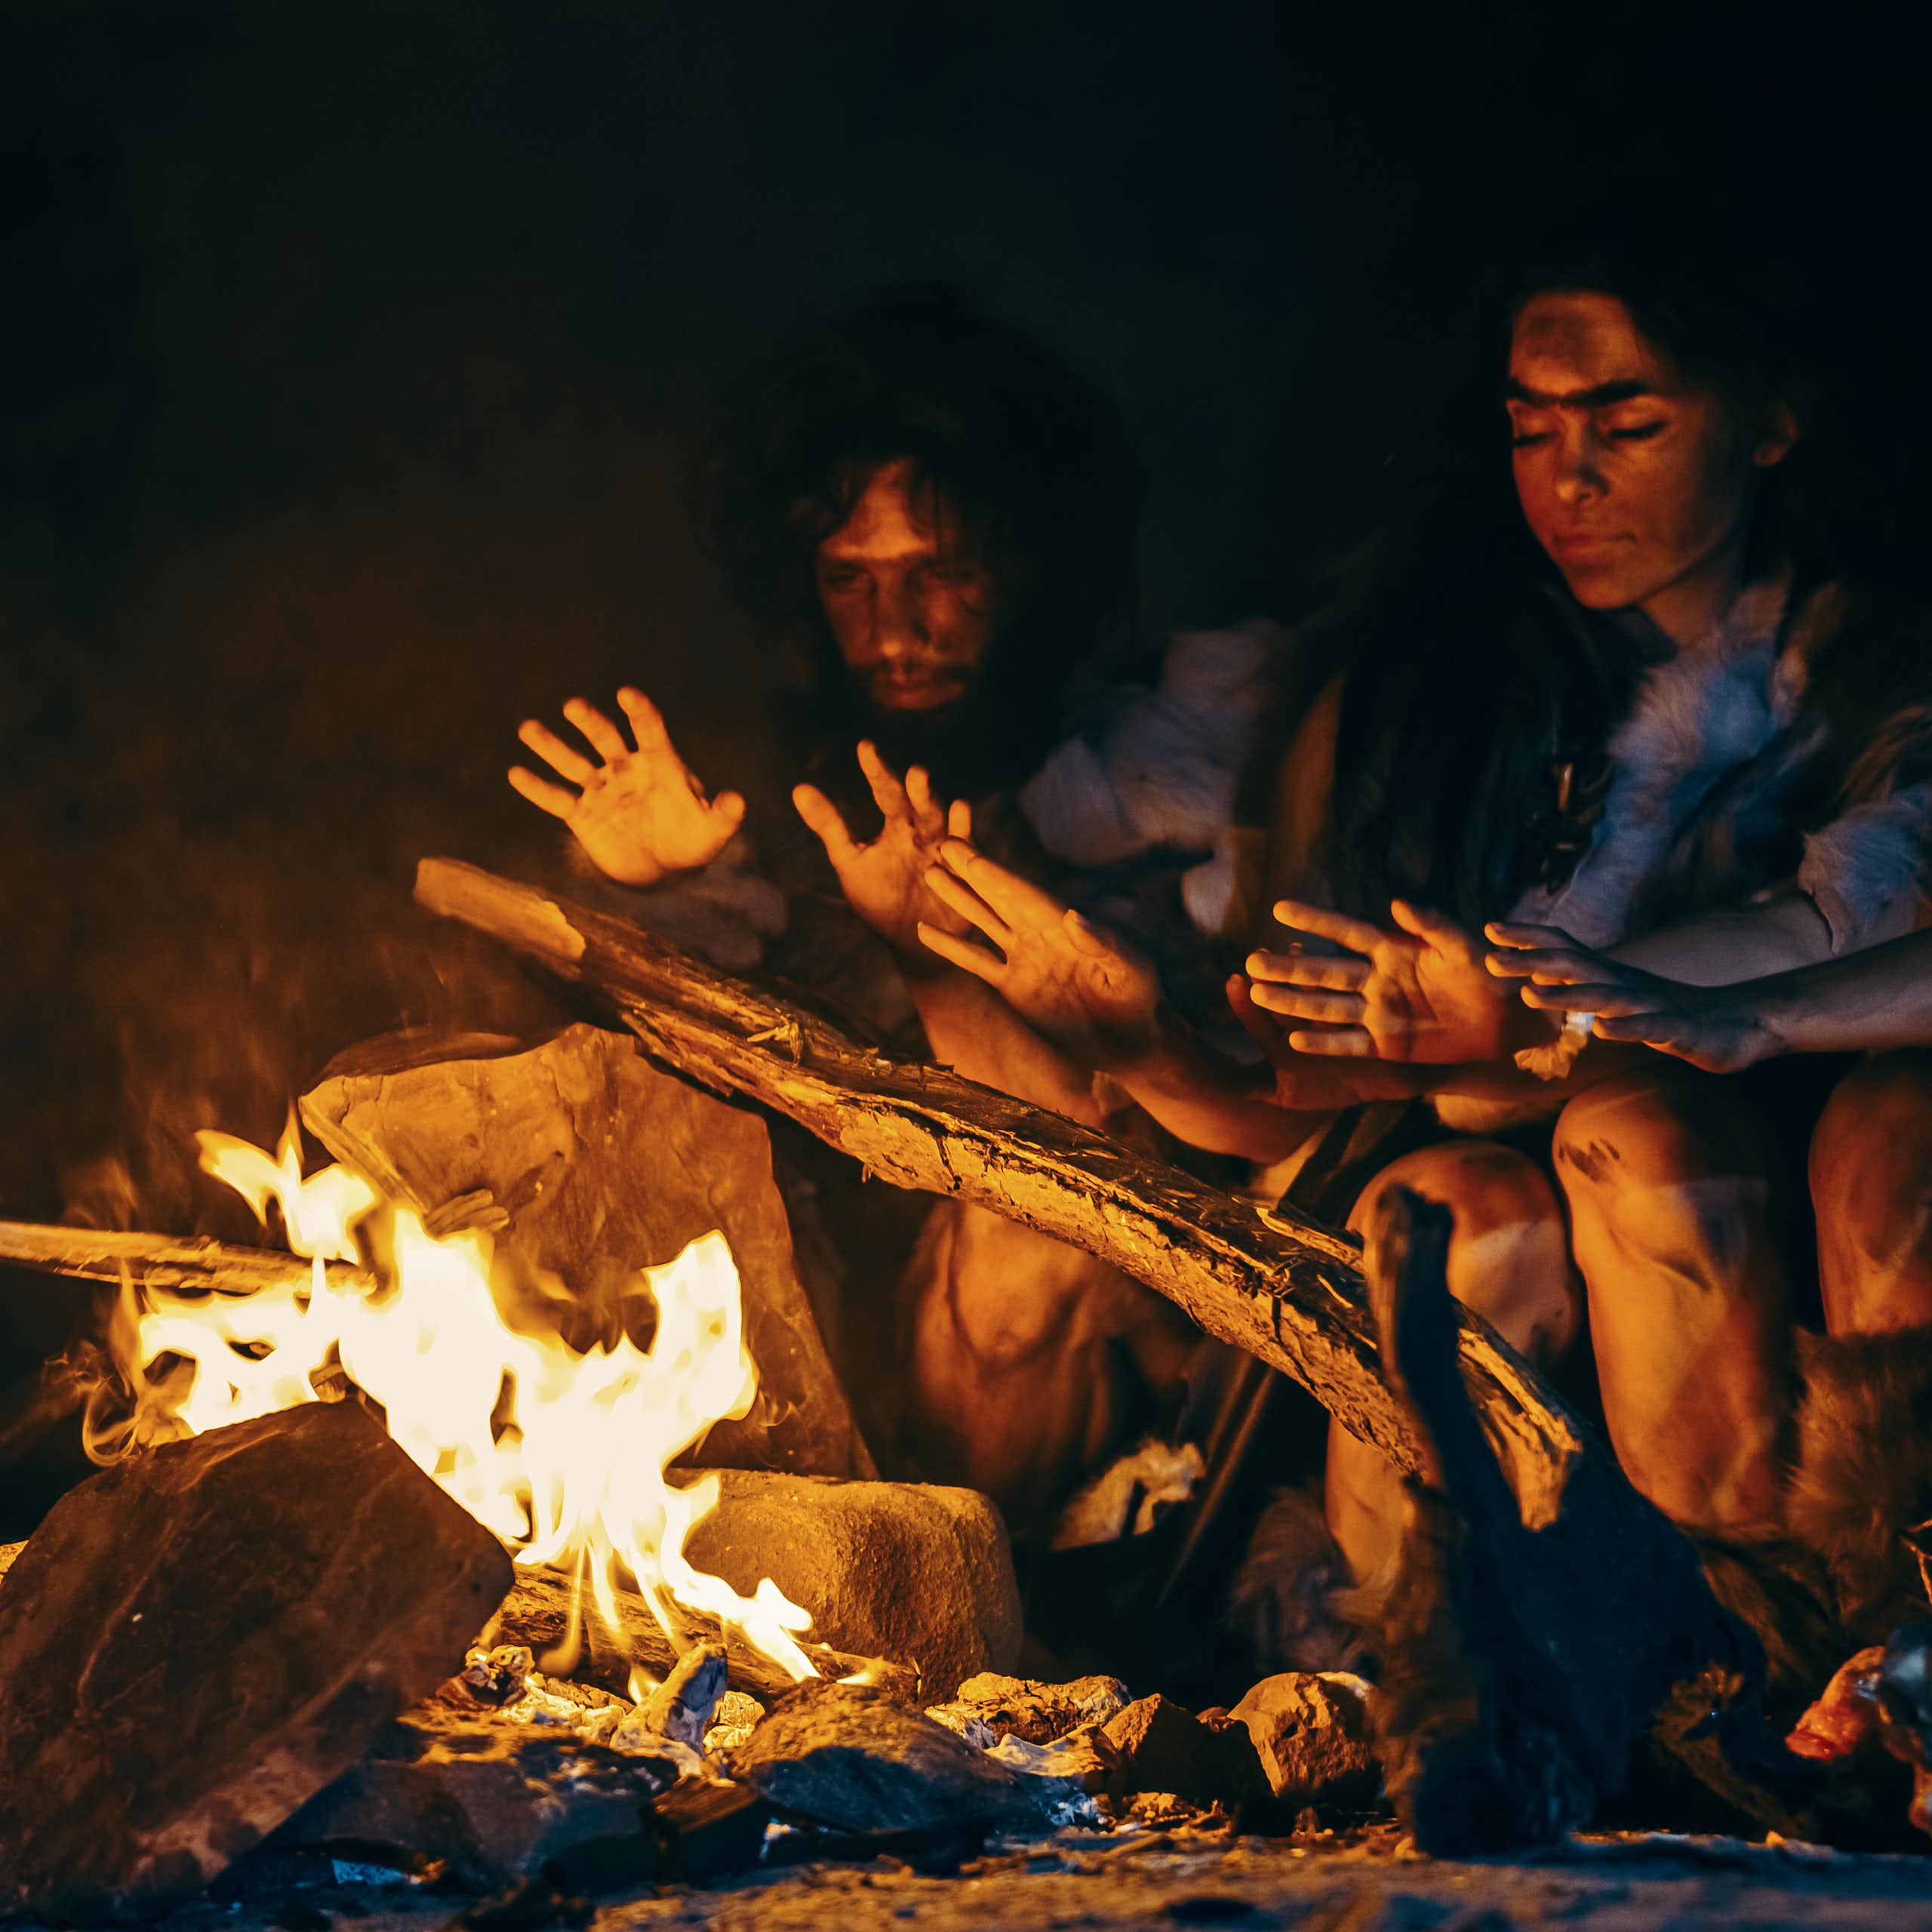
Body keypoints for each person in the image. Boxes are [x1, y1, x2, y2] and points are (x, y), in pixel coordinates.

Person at [912, 212, 1932, 1600]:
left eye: (1626, 426)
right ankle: (1441, 1662)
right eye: (1531, 430)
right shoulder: (1433, 697)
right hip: (1511, 1201)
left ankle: (1798, 1617)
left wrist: (1541, 1011)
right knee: (1450, 1213)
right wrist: (1144, 1043)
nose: (1569, 479)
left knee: (1676, 1134)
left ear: (1769, 424)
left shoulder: (1867, 674)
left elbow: (1862, 912)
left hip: (1785, 1210)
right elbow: (1304, 1093)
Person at [506, 288, 1269, 1535]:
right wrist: (661, 893)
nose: (895, 629)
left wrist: (936, 955)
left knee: (1028, 1250)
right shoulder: (784, 804)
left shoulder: (1152, 797)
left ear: (1033, 571)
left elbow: (1124, 1158)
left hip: (1069, 1386)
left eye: (943, 574)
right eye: (849, 580)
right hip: (820, 1363)